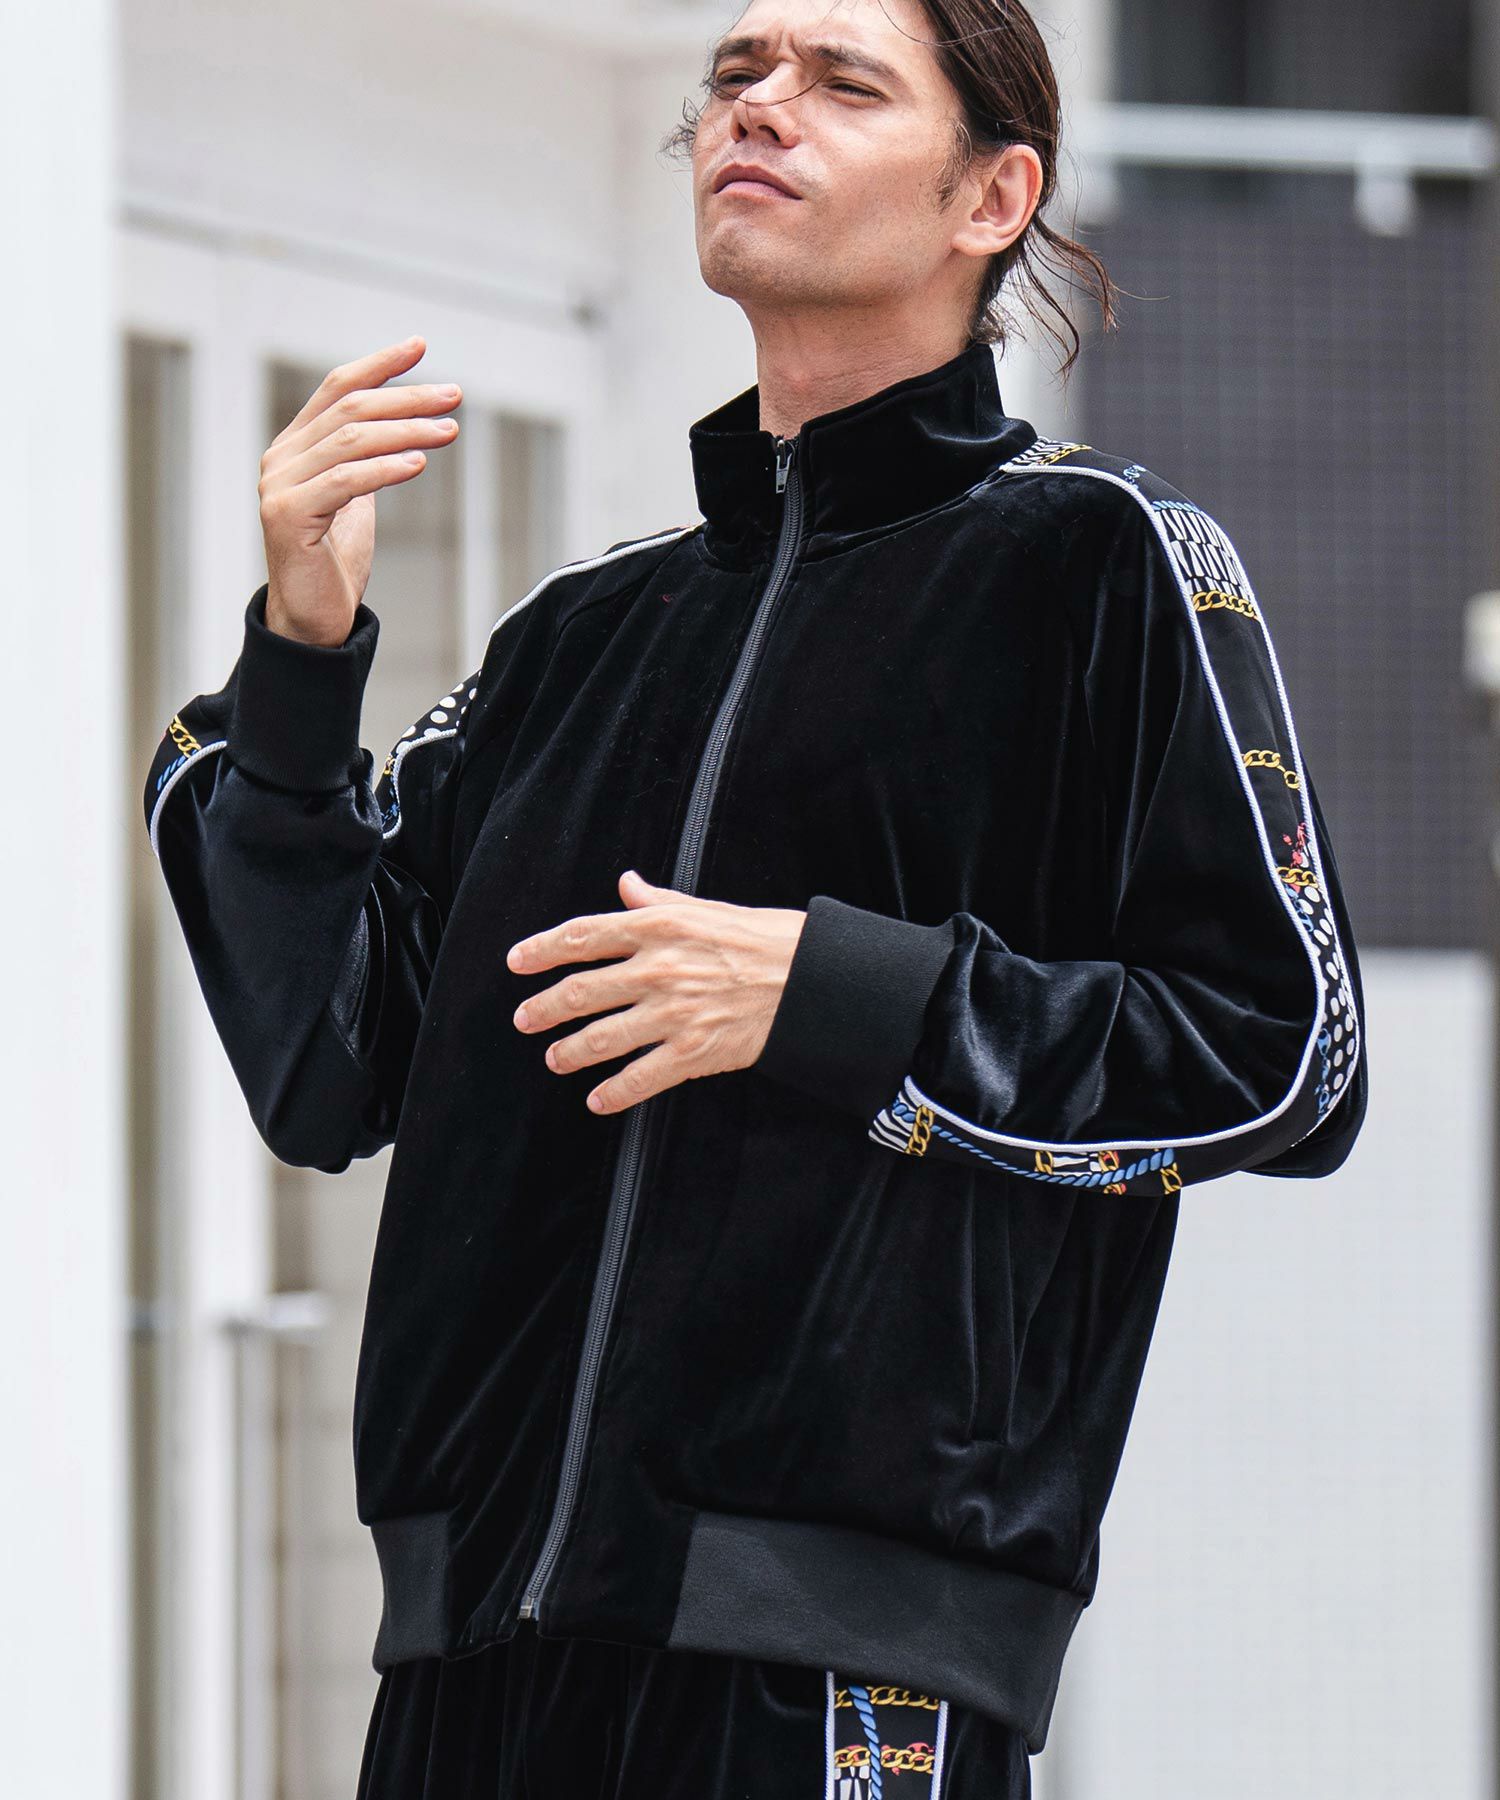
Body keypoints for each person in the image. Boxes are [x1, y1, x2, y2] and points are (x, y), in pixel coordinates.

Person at [142, 1, 1369, 1795]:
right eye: (736, 75)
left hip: (839, 1670)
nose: (758, 108)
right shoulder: (582, 633)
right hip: (474, 1666)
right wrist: (304, 662)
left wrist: (826, 994)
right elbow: (334, 1060)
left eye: (843, 83)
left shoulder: (1101, 565)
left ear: (991, 196)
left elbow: (1288, 1055)